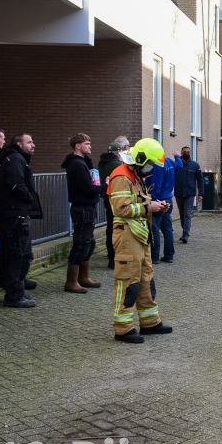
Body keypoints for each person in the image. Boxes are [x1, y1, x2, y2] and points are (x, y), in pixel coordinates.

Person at [107, 138, 173, 343]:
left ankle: (150, 322)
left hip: (139, 236)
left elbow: (138, 202)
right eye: (150, 163)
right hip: (127, 236)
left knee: (145, 279)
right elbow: (121, 209)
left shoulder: (135, 175)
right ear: (141, 159)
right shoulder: (121, 176)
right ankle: (123, 329)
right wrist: (148, 207)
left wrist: (155, 205)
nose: (151, 168)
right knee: (128, 281)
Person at [0, 127, 35, 290]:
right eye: (0, 137)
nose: (3, 140)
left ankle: (10, 279)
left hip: (4, 205)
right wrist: (2, 169)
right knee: (11, 247)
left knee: (10, 246)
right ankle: (12, 284)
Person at [0, 134, 43, 308]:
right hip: (16, 215)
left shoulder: (17, 159)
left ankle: (17, 290)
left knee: (22, 255)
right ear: (19, 144)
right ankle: (14, 296)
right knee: (17, 255)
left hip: (17, 214)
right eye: (29, 142)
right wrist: (30, 198)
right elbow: (16, 184)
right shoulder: (15, 159)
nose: (33, 145)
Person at [61, 133, 102, 294]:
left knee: (88, 243)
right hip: (82, 208)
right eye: (86, 143)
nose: (90, 146)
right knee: (80, 243)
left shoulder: (83, 162)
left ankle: (83, 277)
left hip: (87, 208)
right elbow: (89, 188)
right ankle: (71, 282)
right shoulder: (77, 165)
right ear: (78, 146)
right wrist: (101, 187)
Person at [98, 136, 129, 269]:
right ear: (119, 151)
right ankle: (114, 258)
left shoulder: (103, 163)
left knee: (110, 227)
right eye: (126, 148)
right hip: (117, 199)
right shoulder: (117, 165)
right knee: (117, 229)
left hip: (108, 198)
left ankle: (111, 256)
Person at [148, 154, 176, 263]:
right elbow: (179, 166)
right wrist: (178, 157)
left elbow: (156, 185)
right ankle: (169, 255)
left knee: (154, 229)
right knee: (167, 229)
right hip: (168, 198)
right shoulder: (169, 161)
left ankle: (154, 257)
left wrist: (154, 200)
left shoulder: (157, 165)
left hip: (159, 200)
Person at [173, 145, 203, 243]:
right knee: (182, 214)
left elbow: (200, 180)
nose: (186, 153)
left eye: (188, 152)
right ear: (181, 153)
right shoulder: (176, 164)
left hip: (190, 193)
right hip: (178, 193)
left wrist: (201, 193)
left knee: (187, 214)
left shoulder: (195, 165)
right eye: (184, 151)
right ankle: (184, 232)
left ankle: (186, 235)